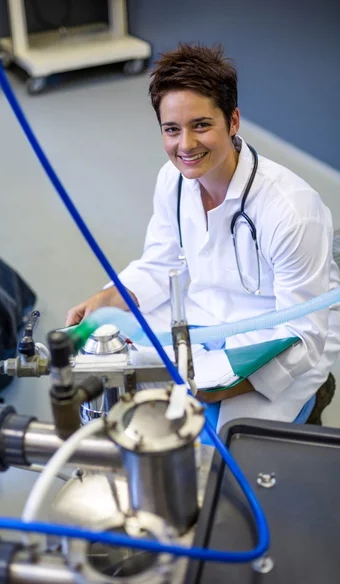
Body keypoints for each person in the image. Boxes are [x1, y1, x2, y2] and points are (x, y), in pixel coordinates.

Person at [66, 44, 340, 430]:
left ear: (233, 121)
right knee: (116, 373)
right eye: (172, 129)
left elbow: (305, 334)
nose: (186, 146)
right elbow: (162, 263)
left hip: (275, 339)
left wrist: (222, 389)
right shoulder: (172, 181)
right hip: (207, 319)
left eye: (201, 125)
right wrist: (108, 301)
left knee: (222, 455)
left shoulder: (291, 211)